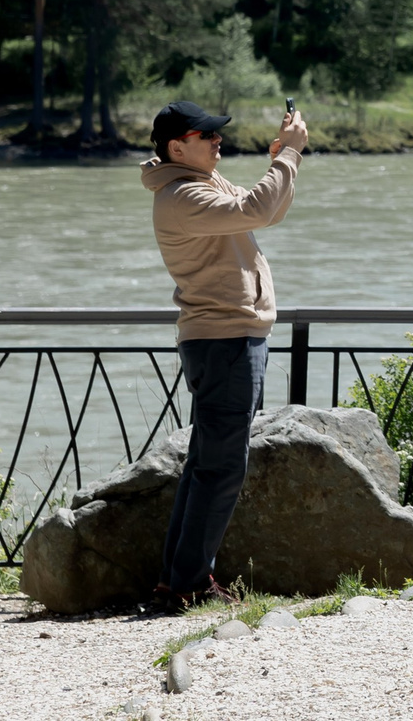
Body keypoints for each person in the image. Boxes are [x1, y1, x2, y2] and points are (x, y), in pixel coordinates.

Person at [141, 99, 308, 606]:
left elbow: (268, 206)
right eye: (207, 135)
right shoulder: (182, 196)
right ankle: (190, 583)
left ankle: (179, 579)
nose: (219, 141)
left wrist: (284, 157)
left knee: (205, 463)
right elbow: (258, 209)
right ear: (177, 147)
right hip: (224, 340)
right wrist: (291, 154)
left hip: (227, 338)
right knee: (221, 467)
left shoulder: (203, 184)